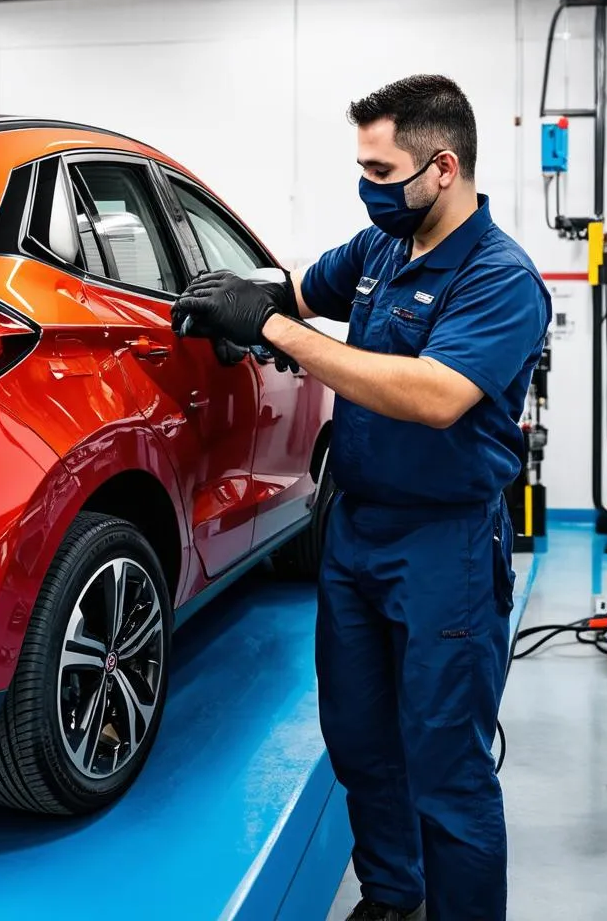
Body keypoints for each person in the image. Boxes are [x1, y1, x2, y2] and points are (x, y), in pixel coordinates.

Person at [172, 74, 552, 921]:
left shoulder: (500, 279)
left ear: (443, 169)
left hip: (443, 547)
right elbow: (302, 291)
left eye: (382, 172)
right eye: (362, 169)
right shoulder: (383, 247)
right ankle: (392, 895)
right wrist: (239, 298)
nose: (368, 188)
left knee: (445, 762)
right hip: (355, 533)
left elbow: (432, 394)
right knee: (360, 739)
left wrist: (275, 331)